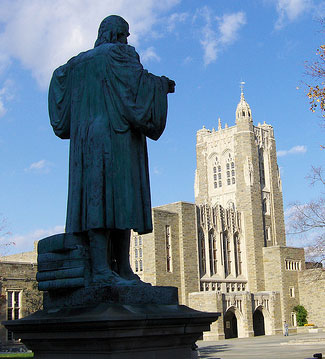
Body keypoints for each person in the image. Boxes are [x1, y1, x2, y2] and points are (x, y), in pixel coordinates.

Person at [48, 15, 175, 285]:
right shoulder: (121, 54)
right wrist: (161, 85)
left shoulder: (76, 64)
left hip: (86, 144)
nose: (127, 40)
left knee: (96, 201)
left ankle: (112, 269)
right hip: (116, 139)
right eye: (125, 34)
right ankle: (113, 269)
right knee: (121, 201)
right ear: (117, 34)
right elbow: (136, 90)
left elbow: (57, 86)